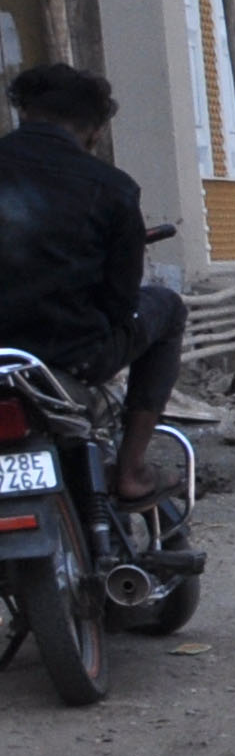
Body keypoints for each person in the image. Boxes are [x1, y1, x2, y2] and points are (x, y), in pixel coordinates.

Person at [0, 61, 186, 505]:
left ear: (23, 111)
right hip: (71, 358)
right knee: (168, 307)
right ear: (97, 131)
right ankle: (131, 469)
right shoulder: (113, 188)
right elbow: (120, 303)